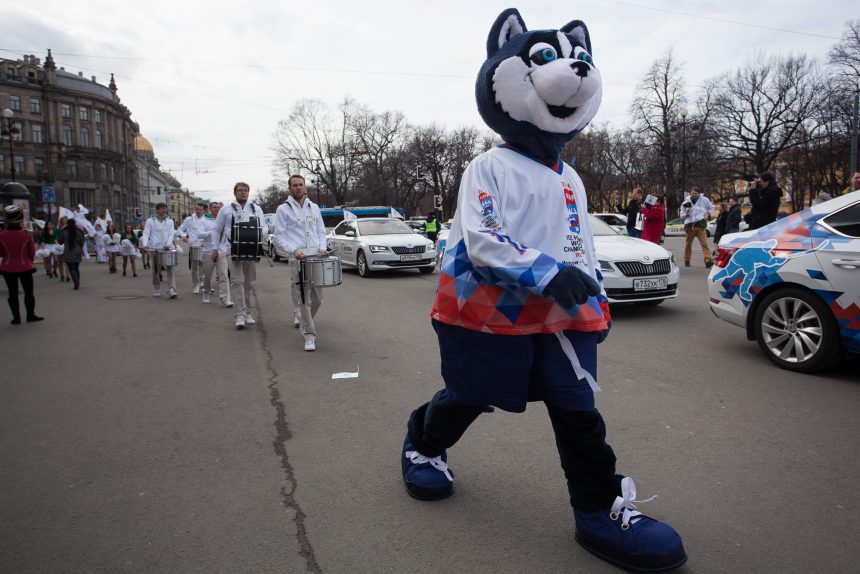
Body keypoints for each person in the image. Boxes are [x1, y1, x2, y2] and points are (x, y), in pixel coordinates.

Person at [401, 9, 685, 573]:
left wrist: (595, 301)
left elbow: (581, 247)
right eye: (544, 59)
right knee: (470, 395)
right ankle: (423, 444)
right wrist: (547, 272)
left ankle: (599, 511)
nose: (572, 69)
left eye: (576, 58)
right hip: (484, 311)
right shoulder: (487, 166)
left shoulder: (570, 177)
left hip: (558, 315)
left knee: (576, 405)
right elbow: (484, 240)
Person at [273, 174, 328, 350]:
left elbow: (321, 231)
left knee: (318, 299)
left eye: (301, 184)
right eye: (294, 185)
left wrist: (322, 247)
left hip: (316, 257)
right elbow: (278, 237)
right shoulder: (283, 209)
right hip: (297, 259)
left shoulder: (314, 207)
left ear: (305, 187)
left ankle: (305, 321)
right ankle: (309, 335)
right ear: (289, 188)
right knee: (304, 297)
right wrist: (293, 250)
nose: (298, 187)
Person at [214, 182, 267, 329]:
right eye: (240, 190)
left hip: (250, 249)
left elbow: (264, 227)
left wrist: (253, 235)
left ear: (248, 192)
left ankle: (248, 312)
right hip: (233, 249)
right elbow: (217, 229)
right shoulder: (226, 209)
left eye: (245, 190)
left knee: (249, 283)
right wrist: (215, 248)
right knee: (237, 281)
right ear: (235, 192)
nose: (243, 192)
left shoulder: (256, 209)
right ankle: (240, 314)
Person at [0, 205, 43, 324]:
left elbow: (1, 252)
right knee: (28, 292)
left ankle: (16, 318)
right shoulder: (26, 234)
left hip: (7, 266)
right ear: (20, 218)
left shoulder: (1, 235)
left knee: (12, 293)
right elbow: (31, 252)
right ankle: (30, 315)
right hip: (25, 266)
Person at [142, 203, 178, 298]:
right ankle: (157, 287)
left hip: (167, 248)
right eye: (162, 208)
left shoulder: (170, 221)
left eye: (165, 208)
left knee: (170, 269)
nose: (164, 210)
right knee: (156, 270)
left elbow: (171, 234)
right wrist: (145, 244)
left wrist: (168, 244)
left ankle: (171, 289)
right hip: (155, 248)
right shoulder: (150, 221)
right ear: (157, 210)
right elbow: (146, 233)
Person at [203, 202, 232, 307]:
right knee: (208, 276)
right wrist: (214, 232)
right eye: (214, 207)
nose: (217, 209)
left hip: (222, 252)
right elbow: (198, 234)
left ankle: (225, 298)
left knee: (224, 276)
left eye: (218, 207)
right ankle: (206, 292)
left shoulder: (224, 220)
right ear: (210, 209)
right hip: (208, 252)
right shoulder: (204, 220)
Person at [178, 202, 209, 294]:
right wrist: (183, 235)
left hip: (204, 245)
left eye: (200, 209)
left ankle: (201, 280)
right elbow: (180, 229)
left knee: (203, 265)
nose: (199, 211)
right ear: (194, 209)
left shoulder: (207, 219)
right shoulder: (189, 219)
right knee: (194, 267)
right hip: (193, 245)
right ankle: (196, 284)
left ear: (203, 210)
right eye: (197, 209)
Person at [681, 186, 714, 268]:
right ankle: (687, 260)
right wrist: (685, 214)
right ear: (690, 193)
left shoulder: (704, 200)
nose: (694, 195)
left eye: (696, 193)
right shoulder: (686, 202)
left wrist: (707, 213)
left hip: (700, 224)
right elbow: (681, 213)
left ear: (699, 194)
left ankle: (708, 260)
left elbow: (711, 208)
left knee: (704, 243)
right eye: (693, 193)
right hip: (690, 225)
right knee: (688, 244)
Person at [60, 216, 85, 290]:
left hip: (68, 252)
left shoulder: (64, 232)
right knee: (76, 267)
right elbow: (82, 241)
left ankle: (76, 281)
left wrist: (61, 230)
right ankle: (77, 281)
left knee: (71, 268)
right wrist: (80, 248)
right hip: (77, 251)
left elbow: (60, 241)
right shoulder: (79, 231)